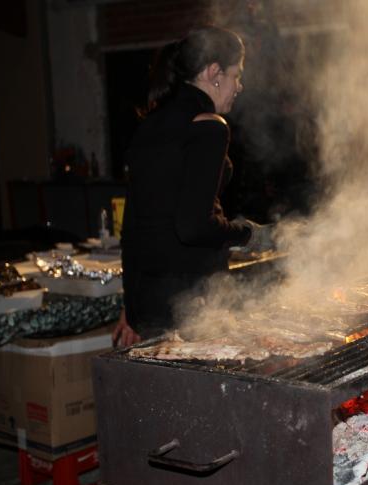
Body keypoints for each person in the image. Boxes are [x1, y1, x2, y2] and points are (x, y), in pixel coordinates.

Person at [112, 26, 273, 347]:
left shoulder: (150, 124)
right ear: (214, 72)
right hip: (194, 303)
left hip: (152, 301)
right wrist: (248, 235)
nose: (239, 86)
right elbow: (193, 227)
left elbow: (132, 229)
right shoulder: (209, 126)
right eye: (236, 75)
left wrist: (131, 308)